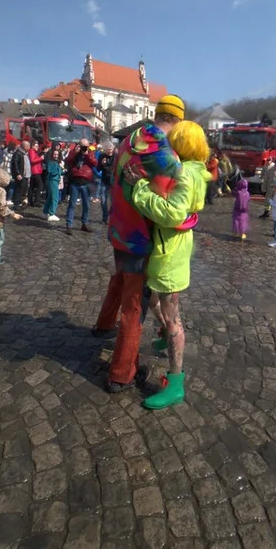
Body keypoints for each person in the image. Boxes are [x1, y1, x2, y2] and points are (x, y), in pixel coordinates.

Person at [92, 95, 185, 393]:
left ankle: (104, 324)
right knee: (134, 305)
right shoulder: (163, 151)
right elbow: (173, 194)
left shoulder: (131, 137)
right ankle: (121, 374)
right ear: (178, 120)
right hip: (138, 237)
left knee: (118, 279)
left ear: (158, 113)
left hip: (118, 227)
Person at [124, 120, 210, 409]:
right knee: (156, 303)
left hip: (170, 250)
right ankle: (164, 336)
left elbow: (173, 214)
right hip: (174, 246)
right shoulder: (197, 171)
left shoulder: (185, 174)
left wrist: (139, 189)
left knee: (174, 320)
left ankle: (175, 384)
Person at [65, 138, 98, 235]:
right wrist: (75, 152)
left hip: (86, 182)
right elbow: (68, 161)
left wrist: (87, 154)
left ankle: (85, 223)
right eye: (82, 145)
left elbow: (95, 163)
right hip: (75, 182)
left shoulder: (90, 153)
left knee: (86, 205)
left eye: (86, 146)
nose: (84, 148)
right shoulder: (74, 152)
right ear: (78, 145)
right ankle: (69, 225)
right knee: (72, 205)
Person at [43, 148, 63, 221]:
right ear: (52, 155)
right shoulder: (50, 162)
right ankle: (51, 213)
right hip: (52, 180)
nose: (56, 156)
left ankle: (45, 211)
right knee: (55, 197)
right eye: (54, 154)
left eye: (57, 154)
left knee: (50, 197)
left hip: (55, 180)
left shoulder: (57, 162)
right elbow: (50, 171)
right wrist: (59, 169)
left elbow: (59, 172)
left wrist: (63, 170)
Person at [97, 142, 115, 224]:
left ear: (113, 149)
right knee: (103, 200)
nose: (109, 152)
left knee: (113, 201)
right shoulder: (102, 156)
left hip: (113, 181)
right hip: (104, 180)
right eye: (108, 150)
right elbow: (98, 169)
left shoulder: (116, 156)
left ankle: (113, 217)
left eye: (111, 150)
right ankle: (105, 217)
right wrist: (102, 163)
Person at [11, 141, 31, 209]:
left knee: (22, 189)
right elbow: (15, 164)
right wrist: (17, 173)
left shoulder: (25, 153)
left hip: (25, 174)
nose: (29, 147)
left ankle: (19, 202)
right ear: (24, 146)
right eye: (28, 146)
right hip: (20, 174)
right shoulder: (18, 153)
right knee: (18, 189)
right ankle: (16, 204)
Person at [28, 141, 44, 207]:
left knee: (32, 187)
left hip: (35, 171)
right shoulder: (31, 151)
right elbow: (32, 161)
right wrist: (41, 158)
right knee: (40, 185)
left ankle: (30, 201)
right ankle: (36, 200)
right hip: (35, 171)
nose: (38, 147)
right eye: (36, 146)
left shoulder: (33, 152)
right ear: (32, 146)